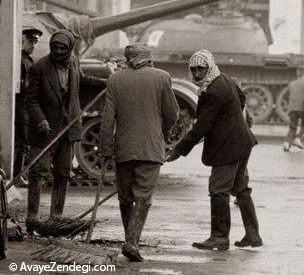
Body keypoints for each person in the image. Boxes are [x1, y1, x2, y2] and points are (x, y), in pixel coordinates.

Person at [167, 49, 263, 251]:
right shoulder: (223, 79)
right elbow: (241, 96)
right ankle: (253, 235)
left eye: (201, 69)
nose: (196, 74)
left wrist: (179, 149)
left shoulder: (213, 91)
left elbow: (201, 126)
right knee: (240, 189)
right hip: (242, 142)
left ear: (209, 67)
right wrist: (232, 118)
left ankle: (219, 237)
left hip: (229, 147)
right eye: (193, 70)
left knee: (218, 190)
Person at [100, 43, 179, 261]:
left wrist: (105, 149)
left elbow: (108, 118)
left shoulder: (115, 79)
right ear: (148, 57)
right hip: (151, 147)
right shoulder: (162, 77)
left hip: (123, 148)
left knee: (125, 197)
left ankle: (130, 239)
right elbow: (172, 114)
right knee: (142, 196)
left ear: (127, 59)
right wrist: (162, 131)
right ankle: (132, 242)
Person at [25, 30, 106, 232]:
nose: (59, 51)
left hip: (68, 127)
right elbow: (31, 100)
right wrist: (41, 120)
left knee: (63, 172)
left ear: (69, 49)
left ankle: (56, 217)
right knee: (38, 172)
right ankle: (32, 217)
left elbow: (82, 79)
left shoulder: (74, 62)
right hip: (45, 131)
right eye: (55, 47)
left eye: (63, 48)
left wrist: (106, 83)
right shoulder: (39, 68)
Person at [13, 26, 43, 188]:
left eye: (35, 42)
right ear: (22, 40)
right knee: (22, 141)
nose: (33, 45)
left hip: (26, 106)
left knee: (25, 141)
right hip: (21, 105)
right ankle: (17, 176)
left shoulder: (28, 60)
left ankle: (19, 174)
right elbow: (20, 85)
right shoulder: (21, 60)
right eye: (31, 41)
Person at [283, 65, 304, 152]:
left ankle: (286, 144)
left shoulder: (292, 84)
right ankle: (298, 139)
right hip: (302, 108)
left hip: (292, 108)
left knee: (292, 127)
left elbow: (287, 96)